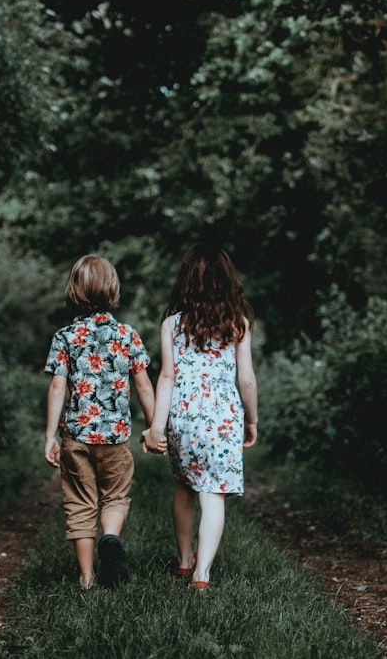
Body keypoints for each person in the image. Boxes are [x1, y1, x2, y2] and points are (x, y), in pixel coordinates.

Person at [142, 244, 259, 592]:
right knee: (213, 494)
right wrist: (251, 420)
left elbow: (166, 377)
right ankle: (202, 573)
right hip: (223, 417)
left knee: (184, 486)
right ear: (228, 282)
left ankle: (182, 560)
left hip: (183, 417)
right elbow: (247, 379)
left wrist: (157, 427)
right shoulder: (238, 322)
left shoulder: (172, 325)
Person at [44, 254, 155, 589]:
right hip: (116, 436)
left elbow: (57, 387)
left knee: (79, 503)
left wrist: (50, 435)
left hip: (76, 436)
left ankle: (87, 577)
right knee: (115, 497)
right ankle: (110, 537)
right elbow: (144, 384)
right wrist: (153, 427)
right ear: (113, 289)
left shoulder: (65, 336)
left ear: (74, 290)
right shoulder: (127, 335)